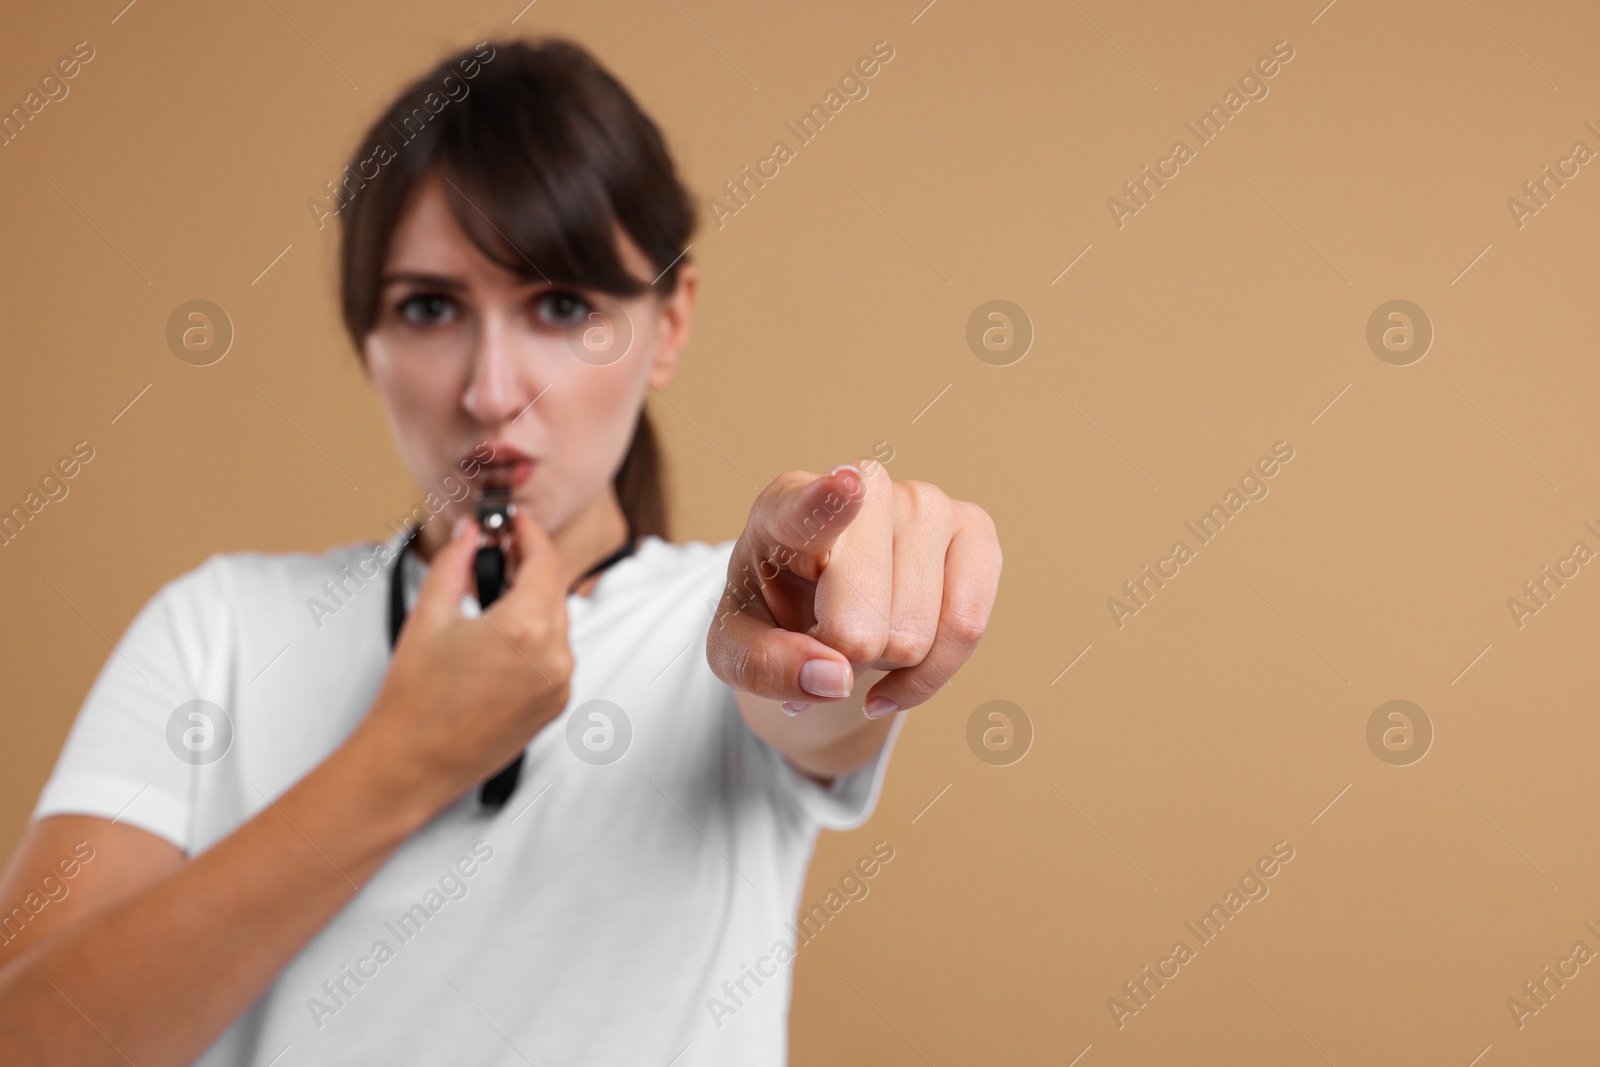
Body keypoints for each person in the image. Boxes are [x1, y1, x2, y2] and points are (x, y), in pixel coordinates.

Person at [0, 37, 1001, 1066]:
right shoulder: (218, 630)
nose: (489, 390)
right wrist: (402, 760)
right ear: (365, 338)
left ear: (668, 323)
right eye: (428, 308)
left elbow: (804, 692)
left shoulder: (722, 621)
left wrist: (833, 608)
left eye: (562, 306)